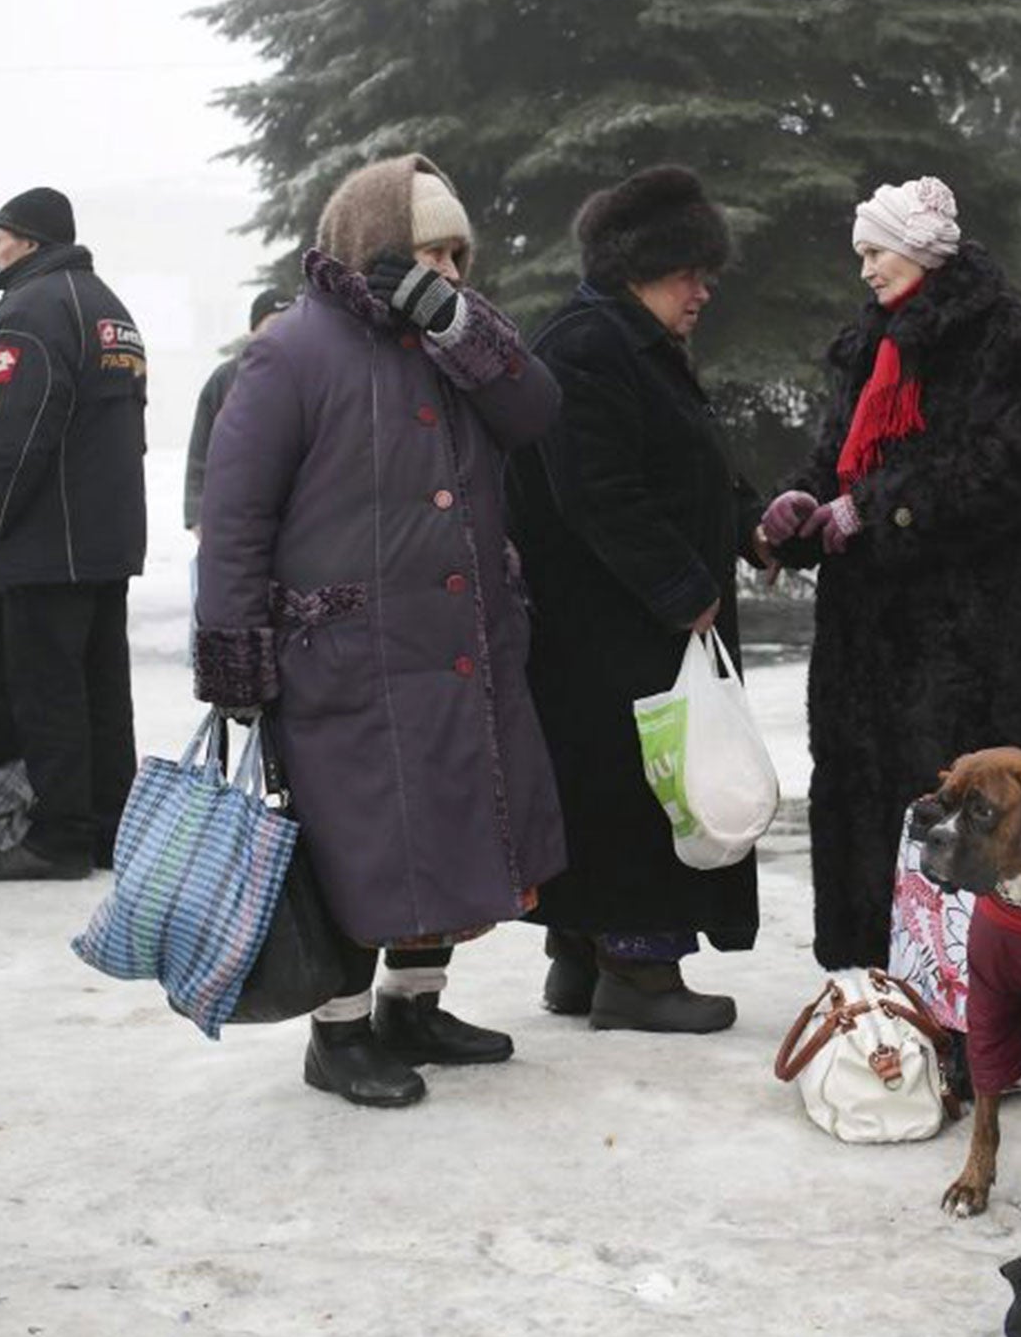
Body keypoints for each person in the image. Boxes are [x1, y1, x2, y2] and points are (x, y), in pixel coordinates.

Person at [194, 154, 566, 1108]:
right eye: (429, 251)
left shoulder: (461, 339)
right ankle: (339, 1031)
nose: (447, 271)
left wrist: (458, 326)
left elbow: (538, 410)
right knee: (358, 844)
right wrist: (236, 653)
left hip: (462, 643)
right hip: (343, 655)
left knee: (446, 826)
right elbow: (236, 515)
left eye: (459, 254)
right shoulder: (292, 351)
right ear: (374, 247)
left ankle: (414, 1004)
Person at [764, 175, 1021, 970]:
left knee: (966, 815)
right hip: (868, 631)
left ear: (919, 248)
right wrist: (801, 508)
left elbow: (1004, 469)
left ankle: (980, 991)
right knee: (866, 799)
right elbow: (839, 455)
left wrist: (873, 507)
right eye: (861, 255)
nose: (866, 269)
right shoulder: (869, 340)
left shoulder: (1008, 336)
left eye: (876, 251)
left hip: (975, 630)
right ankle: (875, 976)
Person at [505, 165, 764, 1033]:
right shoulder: (588, 348)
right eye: (690, 271)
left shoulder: (628, 344)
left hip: (624, 628)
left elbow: (683, 468)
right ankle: (638, 973)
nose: (704, 289)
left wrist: (749, 526)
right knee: (639, 789)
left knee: (618, 784)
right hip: (612, 631)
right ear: (640, 266)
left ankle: (581, 959)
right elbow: (602, 493)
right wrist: (683, 589)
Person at [0, 187, 146, 881]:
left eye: (0, 237)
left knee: (49, 692)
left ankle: (60, 835)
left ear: (30, 242)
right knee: (103, 691)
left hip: (47, 545)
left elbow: (10, 435)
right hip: (106, 542)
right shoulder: (110, 310)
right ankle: (108, 828)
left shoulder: (31, 311)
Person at [183, 287, 289, 534]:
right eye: (272, 325)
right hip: (233, 517)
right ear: (253, 331)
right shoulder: (225, 379)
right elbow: (200, 451)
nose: (281, 334)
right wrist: (197, 514)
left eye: (288, 324)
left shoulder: (310, 379)